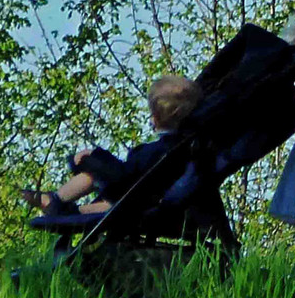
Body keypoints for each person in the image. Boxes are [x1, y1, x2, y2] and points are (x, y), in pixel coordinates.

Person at [21, 75, 203, 217]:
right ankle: (64, 209)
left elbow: (125, 176)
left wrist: (94, 157)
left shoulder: (157, 152)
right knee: (113, 199)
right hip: (141, 199)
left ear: (155, 118)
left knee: (94, 173)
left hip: (135, 200)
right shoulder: (189, 150)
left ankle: (56, 201)